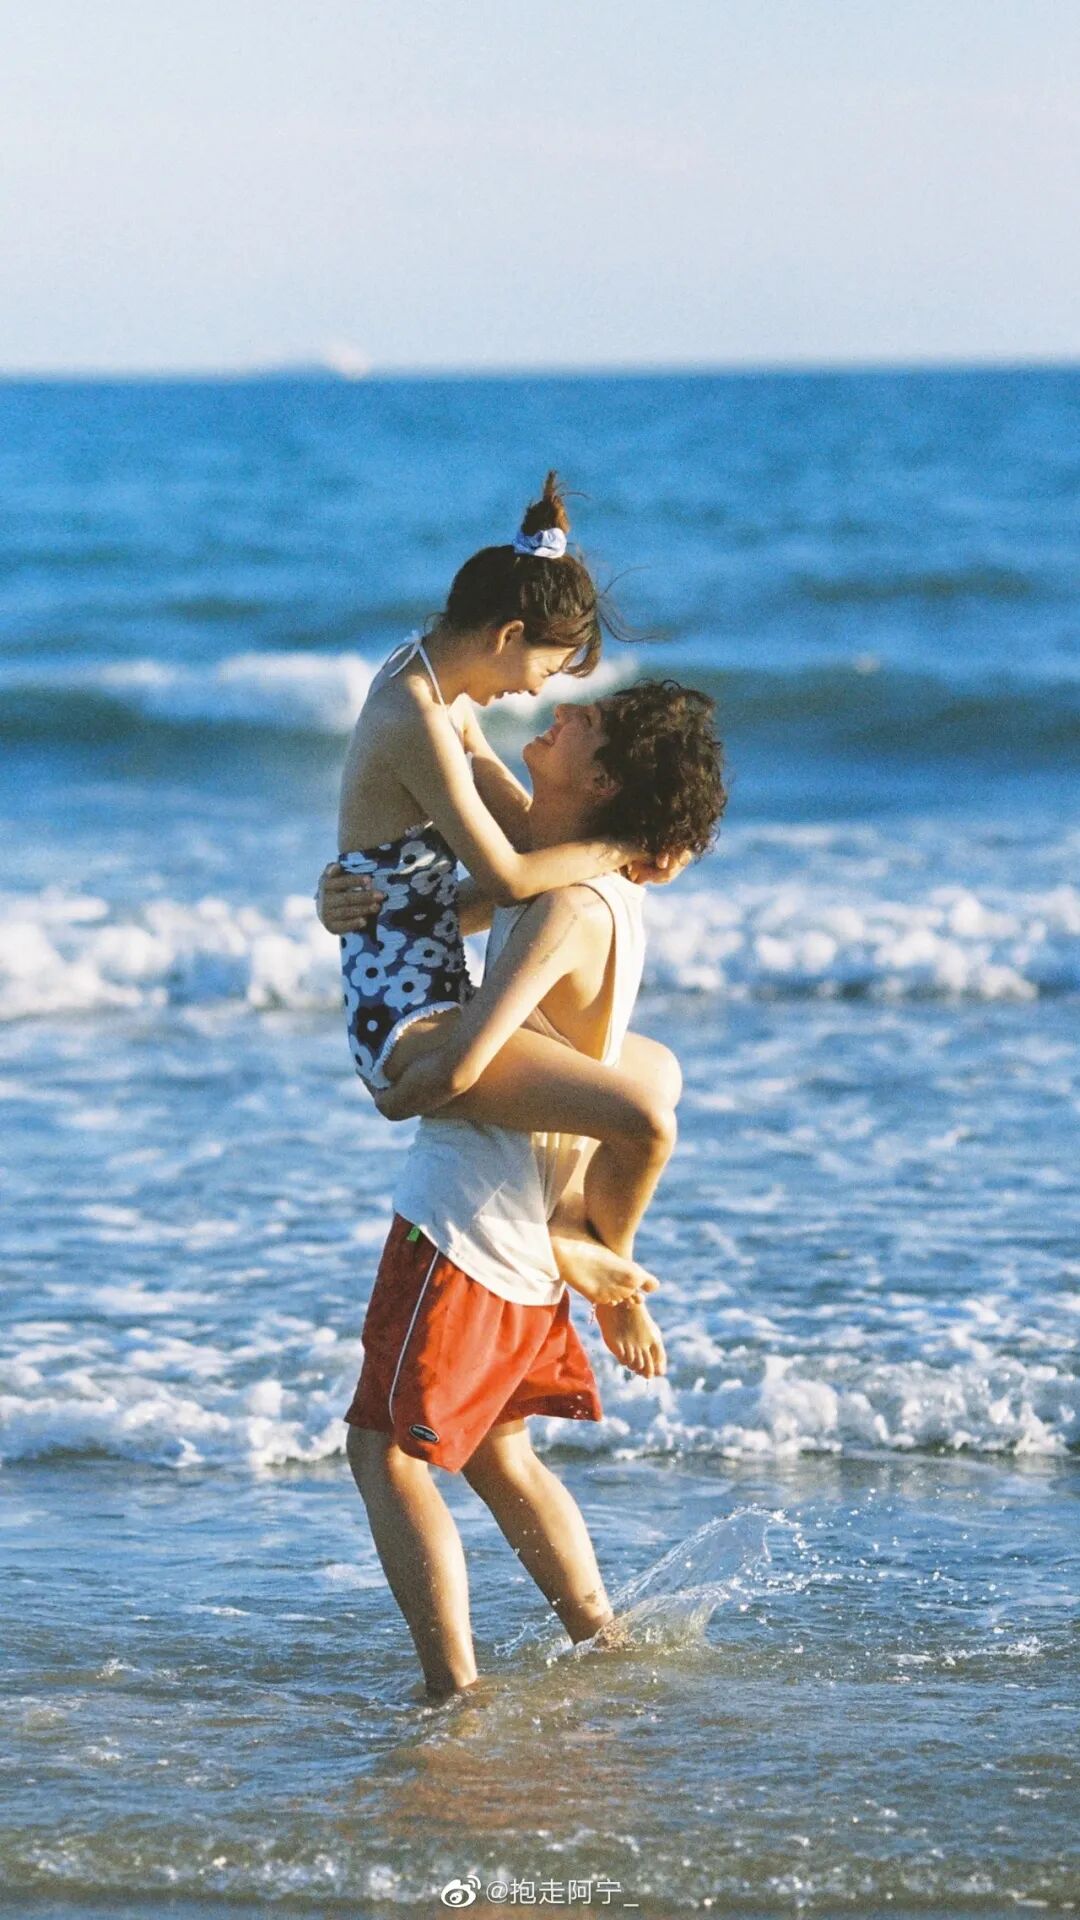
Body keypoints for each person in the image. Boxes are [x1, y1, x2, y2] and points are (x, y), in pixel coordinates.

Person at [316, 678, 726, 1698]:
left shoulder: (562, 906)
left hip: (466, 1220)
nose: (565, 711)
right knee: (499, 1453)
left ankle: (451, 1692)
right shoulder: (590, 881)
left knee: (386, 1456)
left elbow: (471, 1056)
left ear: (605, 781)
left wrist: (399, 1093)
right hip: (520, 1221)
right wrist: (348, 903)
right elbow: (475, 856)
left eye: (587, 723)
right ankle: (601, 1639)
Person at [334, 472, 686, 1295]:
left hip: (439, 991)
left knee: (654, 1069)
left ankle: (569, 1230)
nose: (535, 691)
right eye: (545, 668)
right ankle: (592, 1254)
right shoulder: (415, 717)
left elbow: (520, 828)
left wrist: (651, 841)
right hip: (407, 1028)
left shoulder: (435, 689)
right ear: (509, 633)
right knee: (637, 1117)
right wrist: (619, 845)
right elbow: (511, 872)